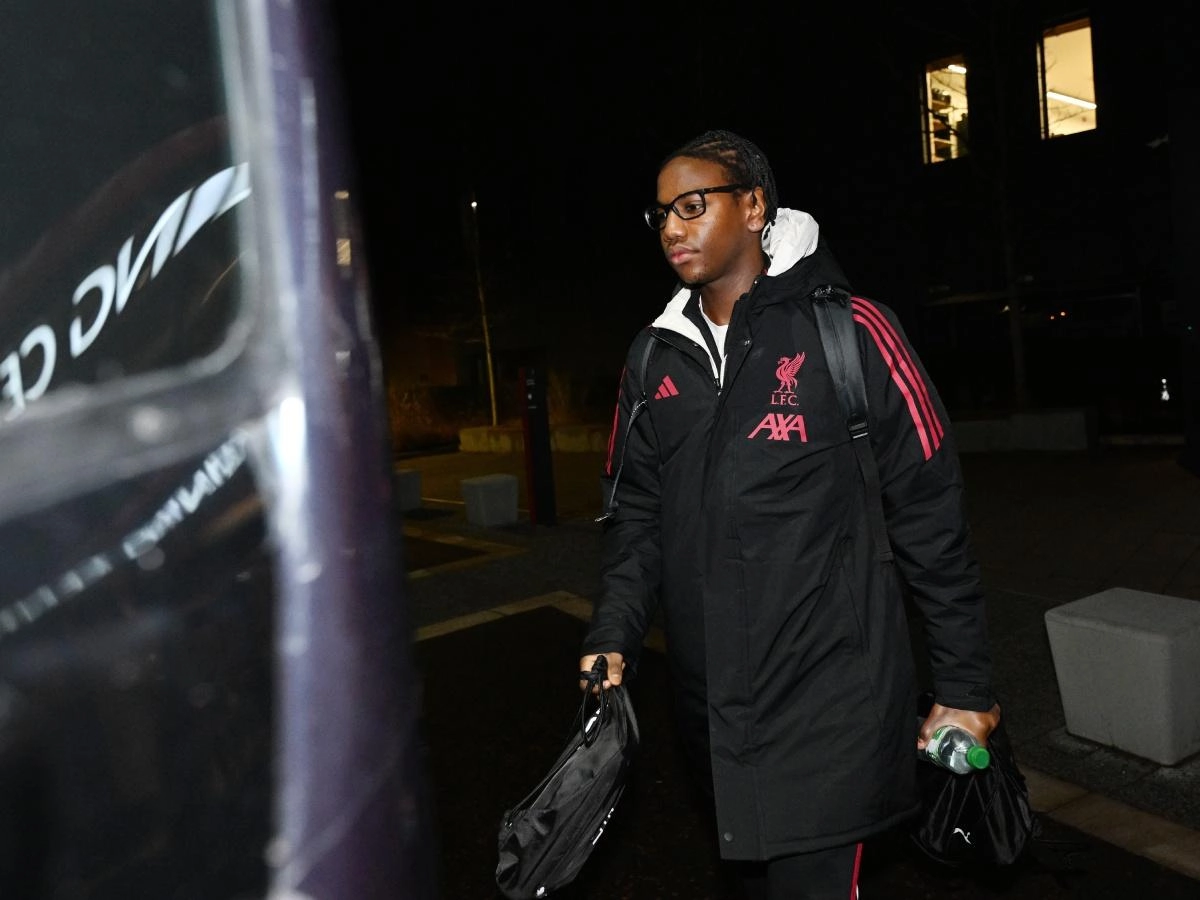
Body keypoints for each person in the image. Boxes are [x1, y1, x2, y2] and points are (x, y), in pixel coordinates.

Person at [578, 129, 1000, 899]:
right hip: (711, 713)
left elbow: (930, 513)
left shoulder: (852, 331)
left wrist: (965, 685)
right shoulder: (652, 357)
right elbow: (637, 513)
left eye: (693, 205)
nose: (671, 227)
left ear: (753, 207)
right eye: (661, 213)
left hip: (834, 708)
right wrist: (615, 631)